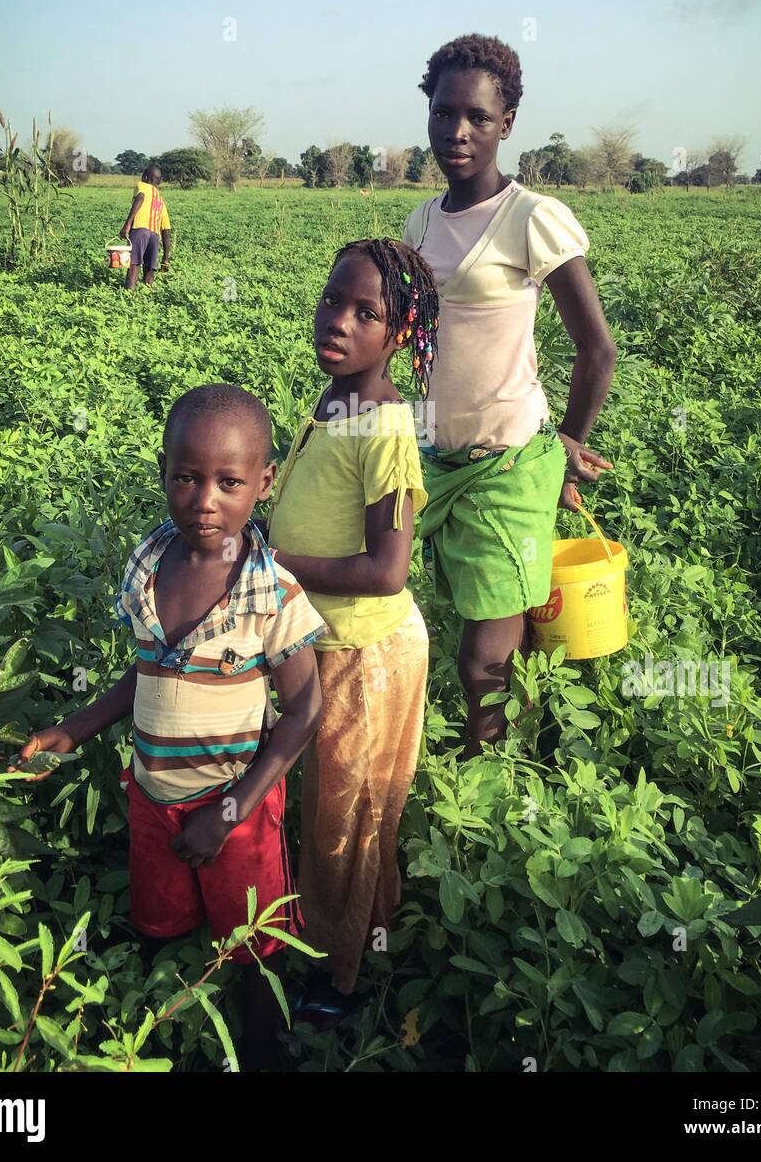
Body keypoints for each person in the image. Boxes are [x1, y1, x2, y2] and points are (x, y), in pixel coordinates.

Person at [12, 384, 326, 1069]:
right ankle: (154, 1031)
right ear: (163, 472)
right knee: (158, 921)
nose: (203, 499)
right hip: (151, 794)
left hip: (235, 807)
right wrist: (72, 729)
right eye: (185, 477)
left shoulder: (272, 594)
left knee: (251, 944)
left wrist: (231, 809)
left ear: (263, 484)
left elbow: (303, 712)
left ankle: (265, 1045)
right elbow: (146, 673)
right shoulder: (150, 565)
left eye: (228, 481)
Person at [401, 33, 618, 758]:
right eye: (441, 114)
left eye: (475, 117)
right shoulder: (420, 223)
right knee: (401, 602)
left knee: (481, 662)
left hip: (510, 461)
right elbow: (418, 342)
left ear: (506, 123)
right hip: (437, 455)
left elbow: (597, 350)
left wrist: (567, 443)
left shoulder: (532, 217)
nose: (455, 133)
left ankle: (495, 789)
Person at [266, 238, 439, 997]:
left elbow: (384, 568)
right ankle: (368, 939)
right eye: (332, 299)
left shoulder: (384, 421)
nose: (338, 321)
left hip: (365, 655)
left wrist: (267, 564)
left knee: (348, 819)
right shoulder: (336, 399)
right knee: (335, 805)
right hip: (323, 643)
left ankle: (339, 982)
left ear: (398, 335)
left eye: (365, 312)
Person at [119, 162, 172, 290]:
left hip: (140, 230)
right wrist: (166, 259)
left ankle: (129, 294)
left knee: (134, 263)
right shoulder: (160, 199)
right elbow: (166, 232)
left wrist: (127, 224)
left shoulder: (141, 185)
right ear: (158, 181)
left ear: (146, 177)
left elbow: (140, 197)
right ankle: (147, 294)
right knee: (150, 267)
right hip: (154, 235)